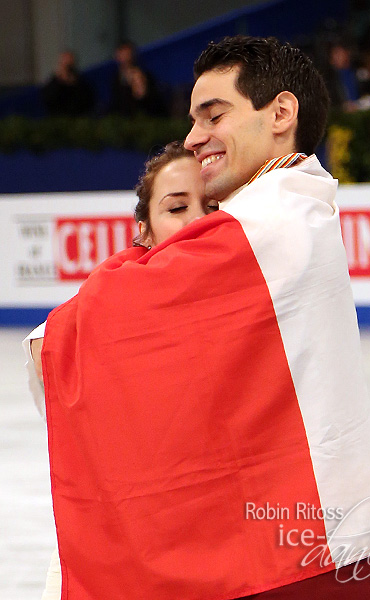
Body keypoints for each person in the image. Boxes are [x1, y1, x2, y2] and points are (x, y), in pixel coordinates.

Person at [37, 36, 370, 599]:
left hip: (298, 569)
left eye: (214, 115)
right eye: (192, 119)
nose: (193, 137)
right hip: (314, 558)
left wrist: (138, 252)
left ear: (281, 114)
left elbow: (68, 339)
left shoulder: (263, 227)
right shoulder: (289, 208)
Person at [23, 141, 218, 600]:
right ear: (144, 231)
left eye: (211, 206)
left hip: (215, 553)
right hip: (111, 551)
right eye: (176, 207)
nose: (196, 220)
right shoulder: (100, 304)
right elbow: (42, 348)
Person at [109, 41, 166, 117]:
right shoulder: (115, 79)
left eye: (127, 54)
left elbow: (152, 103)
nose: (125, 58)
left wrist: (140, 90)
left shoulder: (144, 75)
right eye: (122, 53)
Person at [41, 51, 94, 117]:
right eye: (65, 65)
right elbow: (48, 100)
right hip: (59, 118)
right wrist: (60, 80)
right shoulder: (53, 83)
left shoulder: (81, 83)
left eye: (70, 65)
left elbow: (87, 102)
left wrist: (72, 83)